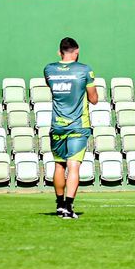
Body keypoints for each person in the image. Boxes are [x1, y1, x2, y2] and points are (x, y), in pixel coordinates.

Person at [44, 36, 97, 220]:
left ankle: (59, 205)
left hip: (57, 125)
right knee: (73, 166)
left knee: (59, 164)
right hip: (78, 125)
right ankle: (68, 206)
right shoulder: (84, 70)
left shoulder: (49, 69)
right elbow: (94, 99)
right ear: (77, 51)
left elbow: (52, 87)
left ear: (59, 52)